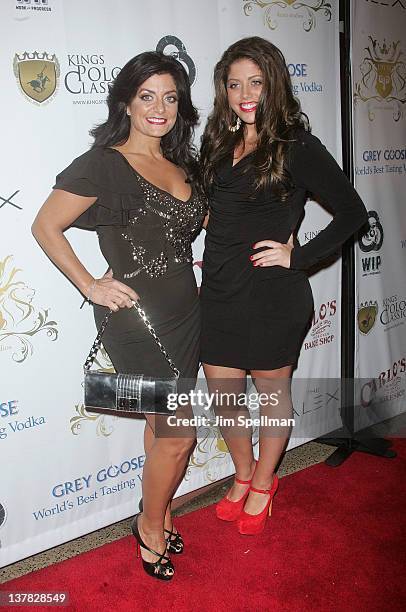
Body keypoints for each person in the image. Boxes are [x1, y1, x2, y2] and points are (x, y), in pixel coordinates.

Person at [32, 51, 206, 580]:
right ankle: (149, 526)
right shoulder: (103, 163)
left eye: (170, 97)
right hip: (138, 323)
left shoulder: (184, 166)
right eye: (147, 95)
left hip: (186, 316)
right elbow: (45, 227)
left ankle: (162, 510)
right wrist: (89, 284)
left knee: (160, 426)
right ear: (126, 102)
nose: (159, 108)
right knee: (181, 434)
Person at [199, 37, 368, 536]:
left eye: (256, 82)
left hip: (273, 292)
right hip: (221, 288)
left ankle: (266, 480)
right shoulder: (218, 141)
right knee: (224, 391)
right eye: (234, 84)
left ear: (274, 84)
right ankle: (243, 472)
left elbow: (353, 212)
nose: (245, 93)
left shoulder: (296, 144)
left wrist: (300, 256)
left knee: (272, 392)